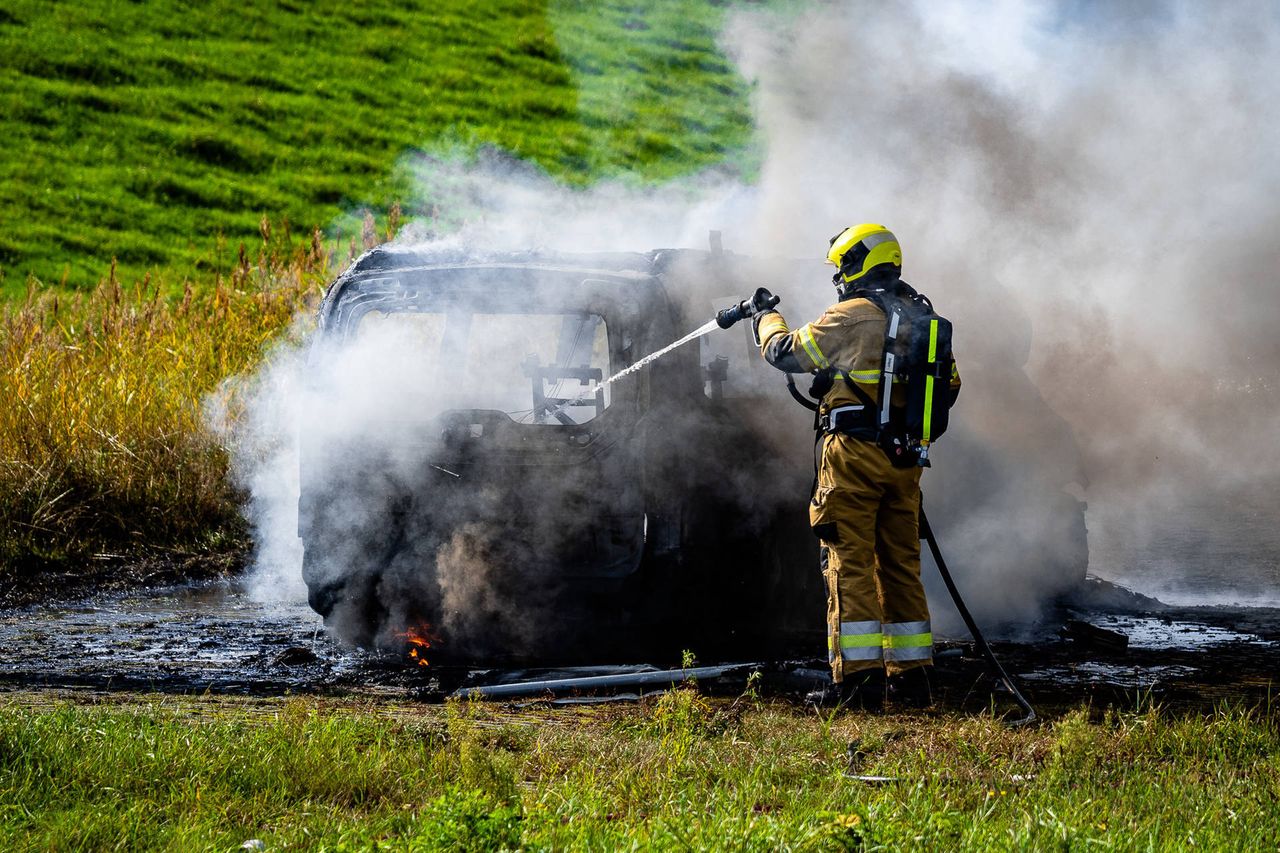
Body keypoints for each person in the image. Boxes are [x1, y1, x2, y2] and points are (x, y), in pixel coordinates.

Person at [752, 224, 960, 709]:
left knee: (849, 563)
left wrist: (766, 317)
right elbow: (948, 386)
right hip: (906, 459)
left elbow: (786, 354)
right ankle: (912, 680)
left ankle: (858, 684)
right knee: (902, 565)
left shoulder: (851, 316)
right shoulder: (923, 318)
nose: (839, 279)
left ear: (859, 265)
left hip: (852, 457)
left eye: (842, 267)